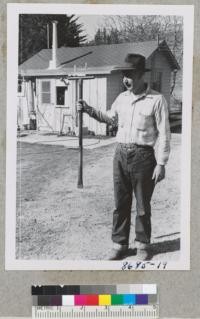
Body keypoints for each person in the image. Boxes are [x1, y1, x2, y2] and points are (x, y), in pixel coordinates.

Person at [77, 54, 171, 260]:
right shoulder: (121, 98)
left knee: (142, 205)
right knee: (120, 203)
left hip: (144, 157)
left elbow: (164, 133)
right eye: (123, 75)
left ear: (140, 75)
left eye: (129, 75)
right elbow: (110, 118)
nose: (125, 80)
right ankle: (119, 244)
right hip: (120, 154)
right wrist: (88, 110)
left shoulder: (157, 100)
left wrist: (161, 163)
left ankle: (142, 245)